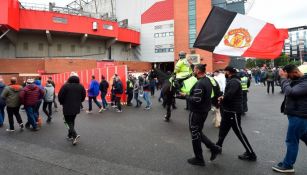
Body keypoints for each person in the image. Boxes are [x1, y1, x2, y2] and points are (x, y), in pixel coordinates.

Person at [179, 64, 221, 166]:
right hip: (203, 111)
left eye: (194, 69)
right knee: (198, 132)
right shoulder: (207, 80)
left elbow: (196, 100)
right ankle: (214, 148)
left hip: (197, 112)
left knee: (194, 133)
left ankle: (199, 158)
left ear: (198, 70)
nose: (193, 71)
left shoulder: (200, 83)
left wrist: (186, 96)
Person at [216, 66, 257, 161]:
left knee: (239, 132)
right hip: (228, 110)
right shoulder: (232, 80)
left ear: (229, 72)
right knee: (223, 130)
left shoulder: (234, 81)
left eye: (225, 71)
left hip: (233, 111)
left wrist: (222, 98)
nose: (224, 73)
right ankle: (218, 147)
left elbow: (230, 95)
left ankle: (251, 154)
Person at [272, 65, 307, 173]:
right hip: (296, 115)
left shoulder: (305, 83)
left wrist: (283, 79)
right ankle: (287, 163)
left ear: (295, 72)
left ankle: (288, 165)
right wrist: (283, 77)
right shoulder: (297, 81)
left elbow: (291, 92)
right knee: (304, 137)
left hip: (299, 116)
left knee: (291, 140)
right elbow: (285, 87)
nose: (289, 78)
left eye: (289, 75)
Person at [58, 72, 86, 145]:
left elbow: (60, 96)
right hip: (76, 107)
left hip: (67, 106)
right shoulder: (81, 86)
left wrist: (62, 102)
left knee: (67, 121)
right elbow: (83, 96)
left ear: (69, 78)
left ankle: (74, 135)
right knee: (72, 120)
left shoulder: (65, 86)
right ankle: (70, 135)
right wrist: (79, 101)